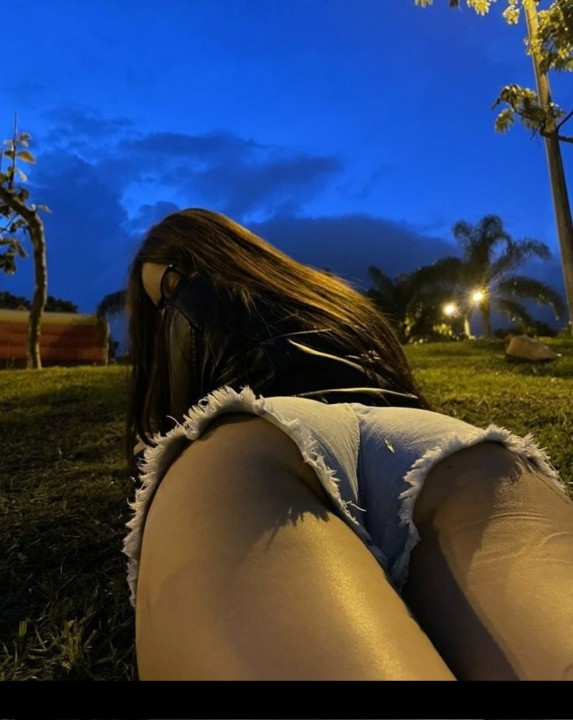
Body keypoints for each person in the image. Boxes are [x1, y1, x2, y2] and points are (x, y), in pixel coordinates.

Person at [123, 207, 573, 681]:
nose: (167, 307)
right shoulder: (325, 290)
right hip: (429, 440)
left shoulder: (193, 297)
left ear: (183, 265)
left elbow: (185, 420)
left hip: (263, 441)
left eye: (164, 293)